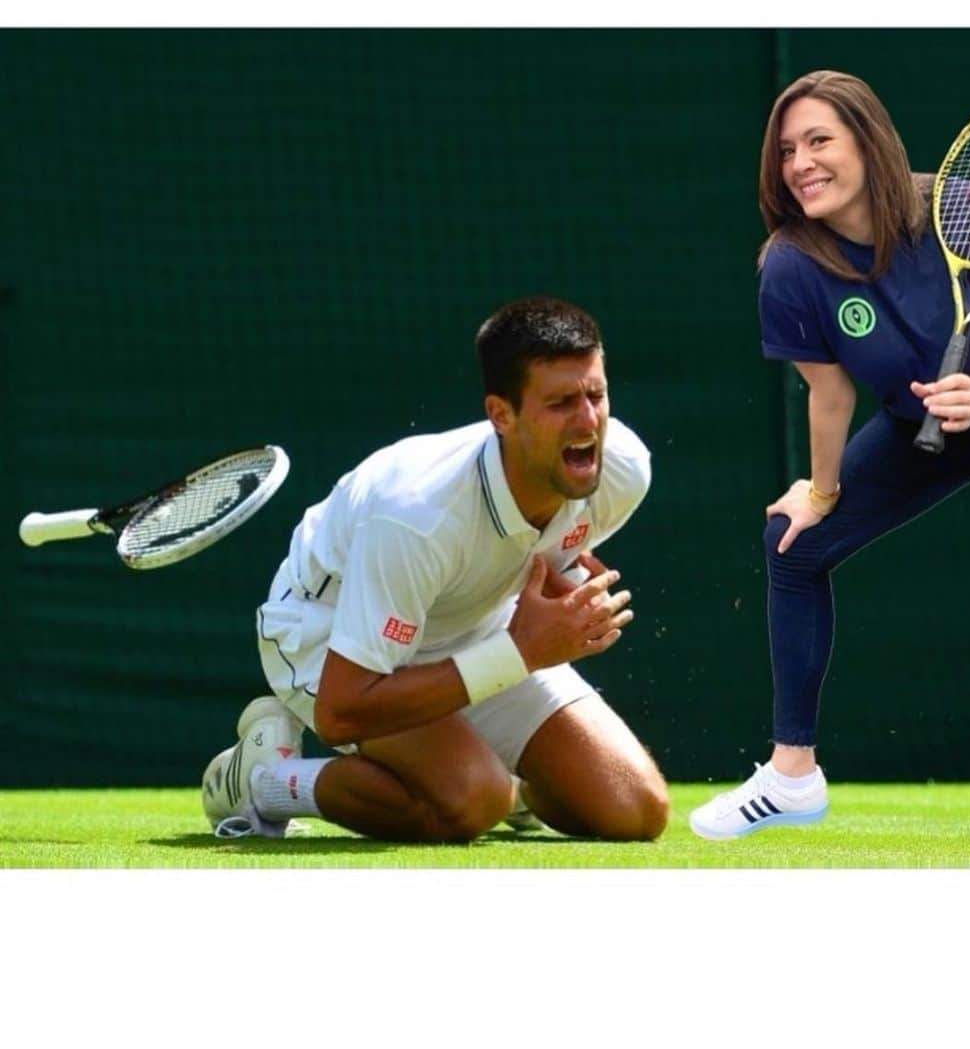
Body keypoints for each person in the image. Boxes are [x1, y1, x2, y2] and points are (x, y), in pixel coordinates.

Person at [691, 70, 970, 843]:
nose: (800, 162)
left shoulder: (960, 206)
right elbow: (829, 397)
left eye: (819, 141)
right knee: (792, 547)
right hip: (920, 418)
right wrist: (821, 492)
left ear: (867, 142)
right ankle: (792, 774)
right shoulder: (792, 265)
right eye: (787, 149)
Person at [202, 296, 669, 843]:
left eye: (596, 394)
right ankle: (264, 780)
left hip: (477, 630)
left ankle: (505, 779)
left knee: (633, 811)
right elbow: (342, 711)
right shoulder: (417, 514)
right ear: (501, 414)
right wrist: (521, 652)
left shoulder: (621, 470)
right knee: (471, 801)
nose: (588, 420)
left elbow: (535, 558)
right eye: (562, 402)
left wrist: (564, 599)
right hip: (326, 638)